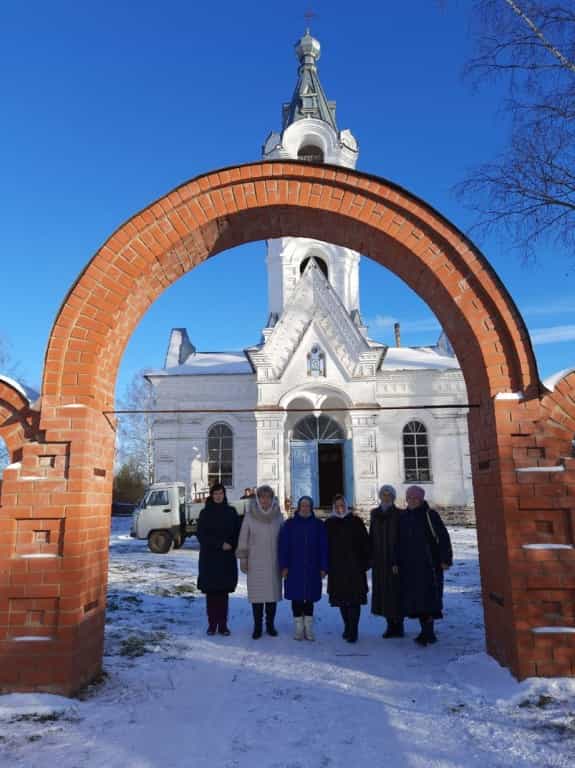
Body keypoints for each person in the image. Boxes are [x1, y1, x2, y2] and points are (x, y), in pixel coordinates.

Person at [396, 485, 453, 646]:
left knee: (430, 598)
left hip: (429, 564)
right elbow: (399, 541)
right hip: (410, 565)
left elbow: (442, 537)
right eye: (409, 498)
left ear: (421, 500)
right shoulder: (404, 516)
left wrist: (445, 559)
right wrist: (397, 561)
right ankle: (424, 631)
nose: (412, 501)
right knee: (417, 599)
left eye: (415, 498)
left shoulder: (430, 515)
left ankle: (429, 632)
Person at [236, 484, 283, 639]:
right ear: (257, 498)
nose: (265, 500)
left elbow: (284, 540)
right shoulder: (250, 516)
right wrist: (243, 558)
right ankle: (257, 627)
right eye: (262, 497)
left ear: (272, 499)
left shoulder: (278, 516)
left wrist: (285, 562)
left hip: (273, 562)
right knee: (257, 596)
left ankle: (270, 625)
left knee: (272, 596)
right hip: (255, 562)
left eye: (268, 497)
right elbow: (243, 538)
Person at [278, 495, 328, 641]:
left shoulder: (318, 525)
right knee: (297, 597)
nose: (305, 508)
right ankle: (299, 628)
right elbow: (283, 547)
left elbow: (324, 547)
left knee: (310, 597)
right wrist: (284, 566)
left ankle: (309, 627)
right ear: (299, 507)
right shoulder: (290, 524)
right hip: (294, 567)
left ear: (311, 508)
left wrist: (324, 566)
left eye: (307, 505)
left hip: (313, 567)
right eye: (302, 505)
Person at [196, 483, 241, 636]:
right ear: (211, 495)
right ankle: (211, 624)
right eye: (215, 494)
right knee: (211, 592)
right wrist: (219, 544)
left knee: (223, 592)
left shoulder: (231, 512)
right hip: (209, 557)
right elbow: (201, 535)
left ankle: (223, 625)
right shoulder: (205, 513)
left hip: (226, 558)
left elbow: (237, 532)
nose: (218, 496)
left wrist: (232, 544)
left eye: (220, 493)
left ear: (224, 494)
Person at [325, 494, 370, 643]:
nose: (340, 508)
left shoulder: (356, 521)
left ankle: (353, 629)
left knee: (355, 599)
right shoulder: (329, 523)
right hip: (337, 568)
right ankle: (347, 626)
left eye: (342, 505)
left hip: (355, 567)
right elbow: (324, 547)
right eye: (337, 506)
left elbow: (365, 543)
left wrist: (365, 562)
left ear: (346, 505)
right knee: (341, 600)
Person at [370, 485, 403, 638]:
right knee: (383, 592)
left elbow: (403, 539)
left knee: (396, 592)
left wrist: (398, 560)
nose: (386, 497)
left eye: (389, 494)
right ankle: (390, 625)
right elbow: (371, 537)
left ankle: (399, 625)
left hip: (394, 559)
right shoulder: (374, 514)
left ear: (393, 497)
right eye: (383, 494)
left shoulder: (399, 514)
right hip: (379, 559)